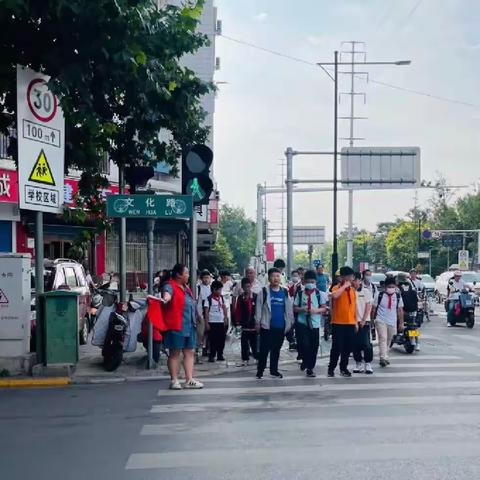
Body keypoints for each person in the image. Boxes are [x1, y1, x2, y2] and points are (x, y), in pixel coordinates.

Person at [161, 264, 203, 390]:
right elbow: (167, 294)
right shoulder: (170, 285)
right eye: (186, 273)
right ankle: (174, 380)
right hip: (176, 325)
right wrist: (166, 298)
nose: (188, 275)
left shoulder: (186, 288)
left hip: (189, 325)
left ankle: (189, 379)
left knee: (189, 352)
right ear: (179, 275)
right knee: (175, 353)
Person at [256, 267, 294, 379]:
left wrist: (290, 322)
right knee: (264, 349)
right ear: (269, 278)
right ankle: (260, 370)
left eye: (278, 276)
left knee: (276, 350)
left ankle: (274, 370)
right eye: (273, 276)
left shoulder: (285, 292)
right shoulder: (263, 292)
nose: (275, 278)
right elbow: (258, 309)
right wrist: (257, 322)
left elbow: (289, 309)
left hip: (280, 326)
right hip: (267, 326)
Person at [293, 269, 327, 377]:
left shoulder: (319, 294)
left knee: (314, 346)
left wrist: (316, 310)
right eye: (308, 282)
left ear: (315, 282)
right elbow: (294, 308)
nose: (310, 284)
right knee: (304, 345)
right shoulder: (299, 294)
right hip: (302, 323)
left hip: (315, 324)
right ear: (304, 282)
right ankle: (305, 361)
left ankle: (310, 367)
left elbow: (324, 308)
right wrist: (302, 309)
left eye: (312, 282)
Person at [327, 266, 356, 378]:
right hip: (338, 322)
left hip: (350, 323)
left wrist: (356, 321)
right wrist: (344, 286)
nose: (351, 278)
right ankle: (331, 368)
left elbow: (354, 307)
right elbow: (334, 296)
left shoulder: (353, 290)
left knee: (347, 348)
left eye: (351, 276)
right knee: (336, 347)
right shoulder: (336, 288)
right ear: (342, 277)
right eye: (348, 276)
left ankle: (343, 368)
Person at [373, 276, 404, 367]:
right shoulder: (379, 295)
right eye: (389, 287)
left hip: (392, 321)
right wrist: (372, 321)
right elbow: (373, 309)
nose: (391, 288)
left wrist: (401, 323)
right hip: (380, 319)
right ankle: (383, 357)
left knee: (389, 339)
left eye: (393, 286)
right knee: (383, 338)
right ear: (385, 287)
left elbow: (400, 310)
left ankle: (385, 355)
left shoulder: (398, 296)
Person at [352, 272, 374, 374]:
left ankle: (368, 363)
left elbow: (368, 306)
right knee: (355, 344)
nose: (353, 282)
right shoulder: (350, 292)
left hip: (364, 321)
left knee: (366, 343)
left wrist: (364, 319)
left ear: (360, 281)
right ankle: (358, 363)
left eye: (355, 280)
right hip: (353, 322)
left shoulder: (366, 292)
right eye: (352, 280)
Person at [234, 277, 259, 366]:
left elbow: (258, 310)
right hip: (244, 323)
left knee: (254, 342)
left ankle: (256, 357)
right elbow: (238, 310)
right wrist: (237, 321)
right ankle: (245, 359)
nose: (247, 289)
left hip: (253, 323)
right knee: (244, 343)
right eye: (245, 287)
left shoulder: (256, 296)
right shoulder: (241, 298)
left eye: (248, 286)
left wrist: (258, 321)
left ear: (251, 286)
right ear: (242, 288)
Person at [204, 280, 228, 362]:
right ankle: (212, 355)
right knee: (213, 340)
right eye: (219, 290)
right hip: (212, 322)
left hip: (220, 322)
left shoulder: (221, 298)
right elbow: (206, 311)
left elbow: (224, 308)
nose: (220, 291)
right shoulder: (209, 299)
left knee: (221, 339)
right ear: (214, 289)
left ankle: (220, 354)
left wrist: (225, 318)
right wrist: (206, 323)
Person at [196, 270, 212, 356]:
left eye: (208, 277)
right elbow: (197, 302)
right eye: (204, 278)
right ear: (201, 279)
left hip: (210, 313)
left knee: (209, 332)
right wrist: (198, 314)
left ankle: (207, 350)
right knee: (200, 333)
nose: (206, 279)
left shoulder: (211, 288)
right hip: (201, 313)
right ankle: (198, 350)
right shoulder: (198, 288)